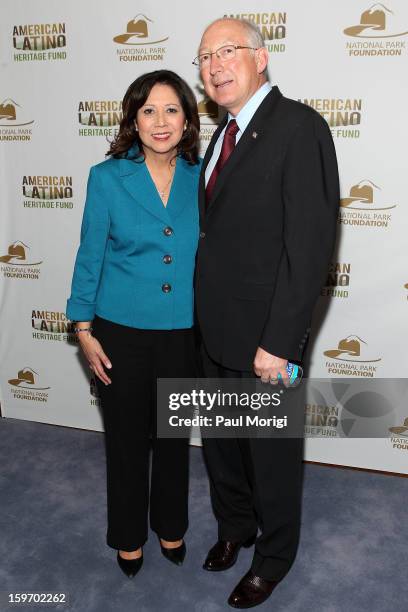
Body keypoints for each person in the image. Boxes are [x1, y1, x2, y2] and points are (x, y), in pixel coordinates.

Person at [194, 17, 339, 608]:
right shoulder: (220, 132)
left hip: (266, 341)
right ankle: (235, 529)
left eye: (227, 51)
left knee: (272, 458)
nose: (215, 65)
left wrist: (280, 343)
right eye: (204, 57)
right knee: (222, 444)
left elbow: (308, 251)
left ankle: (273, 558)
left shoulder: (299, 127)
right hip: (211, 331)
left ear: (262, 57)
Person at [66, 70, 201, 578]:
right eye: (148, 111)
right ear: (134, 119)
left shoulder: (202, 175)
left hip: (185, 331)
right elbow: (89, 255)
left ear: (187, 119)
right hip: (119, 331)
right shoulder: (107, 178)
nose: (160, 121)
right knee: (124, 441)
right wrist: (82, 327)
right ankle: (127, 535)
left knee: (173, 440)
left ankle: (171, 525)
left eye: (171, 110)